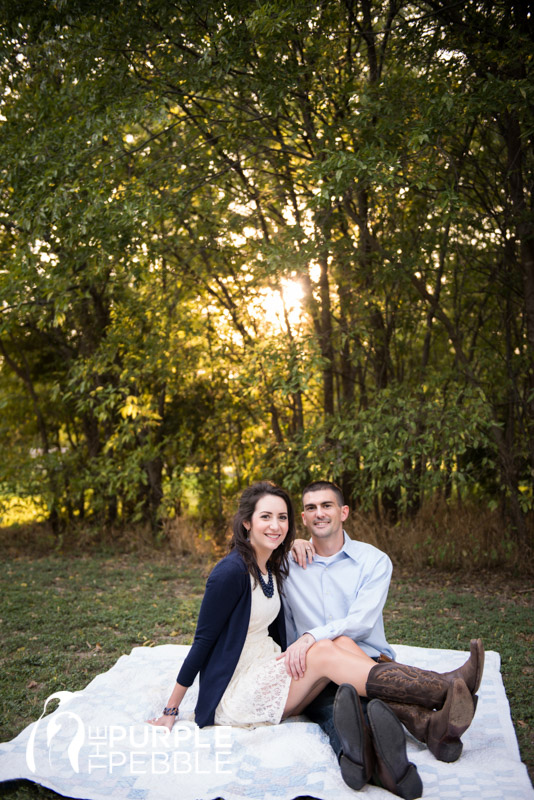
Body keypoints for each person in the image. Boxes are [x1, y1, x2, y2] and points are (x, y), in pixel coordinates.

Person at [148, 480, 482, 800]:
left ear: (341, 513)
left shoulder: (279, 564)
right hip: (242, 688)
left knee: (342, 648)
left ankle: (419, 729)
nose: (276, 525)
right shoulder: (237, 571)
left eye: (282, 518)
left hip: (302, 662)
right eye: (266, 517)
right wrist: (171, 708)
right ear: (247, 523)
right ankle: (441, 688)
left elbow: (355, 623)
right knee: (325, 654)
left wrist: (291, 547)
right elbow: (202, 643)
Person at [282, 480, 484, 791]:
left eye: (327, 506)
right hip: (318, 674)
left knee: (351, 679)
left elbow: (361, 622)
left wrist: (312, 636)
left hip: (369, 660)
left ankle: (358, 760)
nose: (319, 513)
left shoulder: (373, 560)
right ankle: (431, 716)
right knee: (350, 707)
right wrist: (290, 543)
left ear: (344, 512)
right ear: (304, 518)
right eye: (311, 508)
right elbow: (251, 545)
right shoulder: (287, 565)